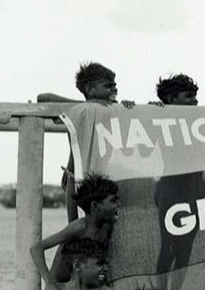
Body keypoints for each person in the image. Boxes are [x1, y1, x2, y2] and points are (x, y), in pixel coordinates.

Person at [37, 62, 133, 222]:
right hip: (77, 179)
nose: (114, 90)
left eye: (115, 86)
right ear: (90, 89)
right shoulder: (78, 110)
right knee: (77, 228)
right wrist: (89, 104)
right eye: (108, 86)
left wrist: (131, 108)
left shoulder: (112, 109)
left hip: (103, 181)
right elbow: (43, 98)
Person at [29, 173, 120, 290]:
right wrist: (50, 284)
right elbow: (36, 248)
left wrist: (71, 181)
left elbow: (72, 208)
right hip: (60, 287)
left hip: (84, 285)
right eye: (113, 200)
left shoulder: (107, 225)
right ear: (95, 206)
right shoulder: (79, 227)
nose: (119, 204)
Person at [153, 74, 204, 274]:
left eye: (195, 96)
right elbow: (144, 149)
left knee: (185, 252)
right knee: (169, 249)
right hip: (172, 190)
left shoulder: (200, 121)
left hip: (195, 190)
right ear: (172, 99)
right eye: (188, 96)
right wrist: (147, 113)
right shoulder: (161, 119)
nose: (195, 101)